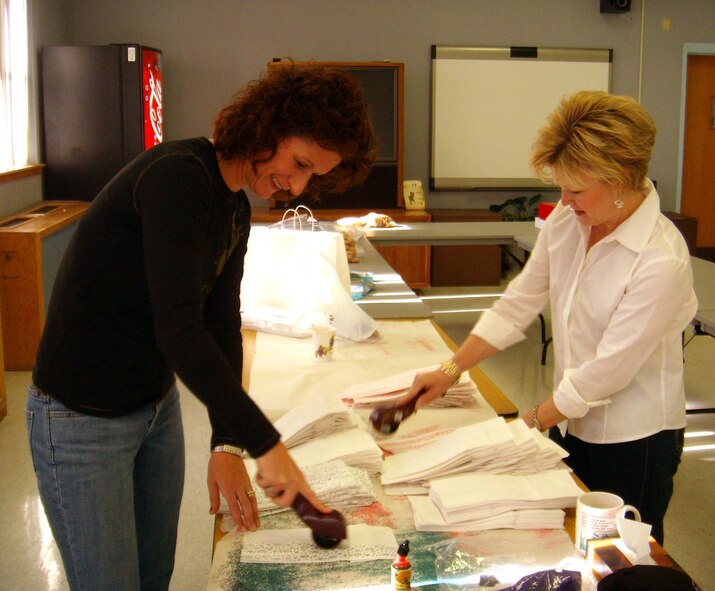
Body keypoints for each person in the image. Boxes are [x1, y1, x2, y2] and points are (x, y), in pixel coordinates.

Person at [26, 64, 376, 591]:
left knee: (153, 576)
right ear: (267, 126)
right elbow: (179, 331)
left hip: (153, 408)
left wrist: (229, 443)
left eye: (313, 176)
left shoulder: (234, 207)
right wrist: (267, 447)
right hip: (80, 420)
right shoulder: (177, 177)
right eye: (299, 163)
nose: (297, 185)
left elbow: (221, 326)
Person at [405, 90, 697, 545]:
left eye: (576, 190)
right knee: (568, 540)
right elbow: (519, 302)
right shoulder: (568, 220)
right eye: (561, 186)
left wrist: (531, 421)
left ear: (619, 180)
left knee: (622, 558)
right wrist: (450, 370)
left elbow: (607, 371)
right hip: (571, 418)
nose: (564, 200)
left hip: (635, 440)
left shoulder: (661, 259)